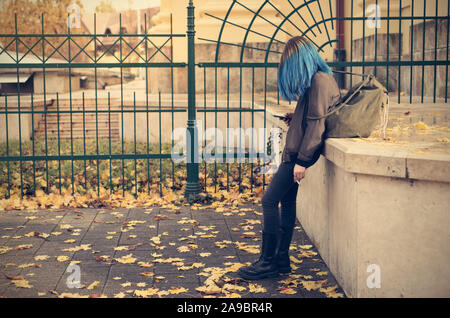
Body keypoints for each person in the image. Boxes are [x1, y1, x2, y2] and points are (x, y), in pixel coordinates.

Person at [237, 36, 341, 280]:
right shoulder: (320, 79)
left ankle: (267, 261)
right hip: (295, 153)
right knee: (288, 201)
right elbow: (313, 116)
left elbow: (317, 125)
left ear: (300, 61)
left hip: (298, 155)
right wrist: (295, 116)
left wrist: (302, 162)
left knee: (269, 201)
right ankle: (281, 260)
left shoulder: (319, 81)